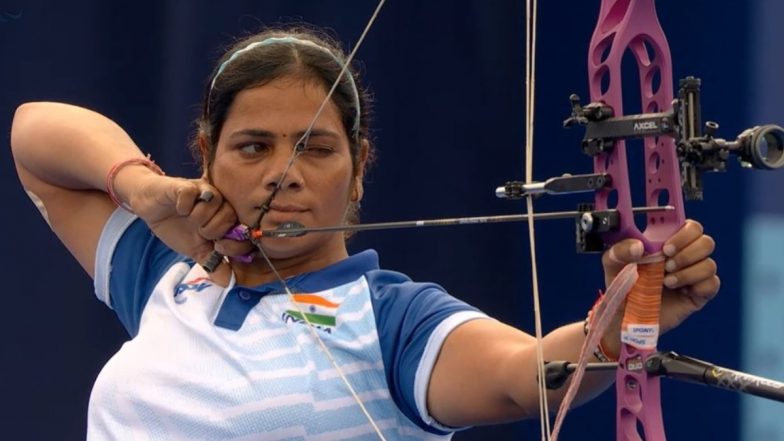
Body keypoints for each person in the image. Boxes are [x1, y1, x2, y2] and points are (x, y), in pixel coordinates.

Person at [10, 27, 719, 440]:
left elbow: (528, 377)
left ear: (357, 172)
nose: (281, 174)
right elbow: (32, 135)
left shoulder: (391, 319)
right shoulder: (167, 277)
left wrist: (628, 314)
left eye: (315, 149)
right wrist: (142, 189)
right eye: (252, 146)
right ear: (207, 155)